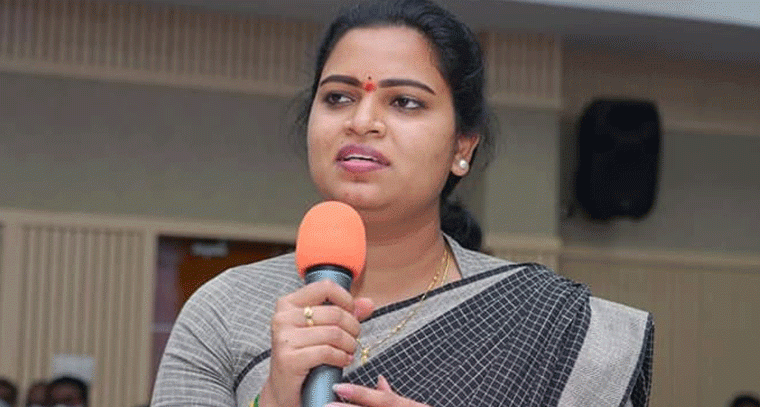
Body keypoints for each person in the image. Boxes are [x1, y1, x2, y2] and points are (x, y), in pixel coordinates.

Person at [151, 0, 653, 406]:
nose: (361, 121)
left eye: (404, 102)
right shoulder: (223, 311)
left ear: (462, 147)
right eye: (339, 97)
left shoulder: (546, 323)